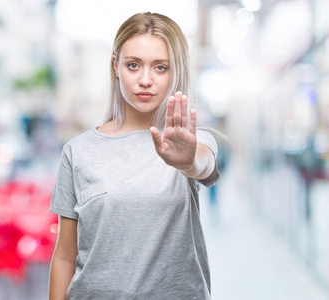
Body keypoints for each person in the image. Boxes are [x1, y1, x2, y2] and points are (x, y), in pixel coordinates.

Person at [48, 12, 220, 300]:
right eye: (133, 65)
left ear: (176, 70)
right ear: (116, 66)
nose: (145, 80)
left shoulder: (193, 141)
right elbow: (65, 256)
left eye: (160, 67)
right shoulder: (78, 151)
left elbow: (203, 164)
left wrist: (188, 161)